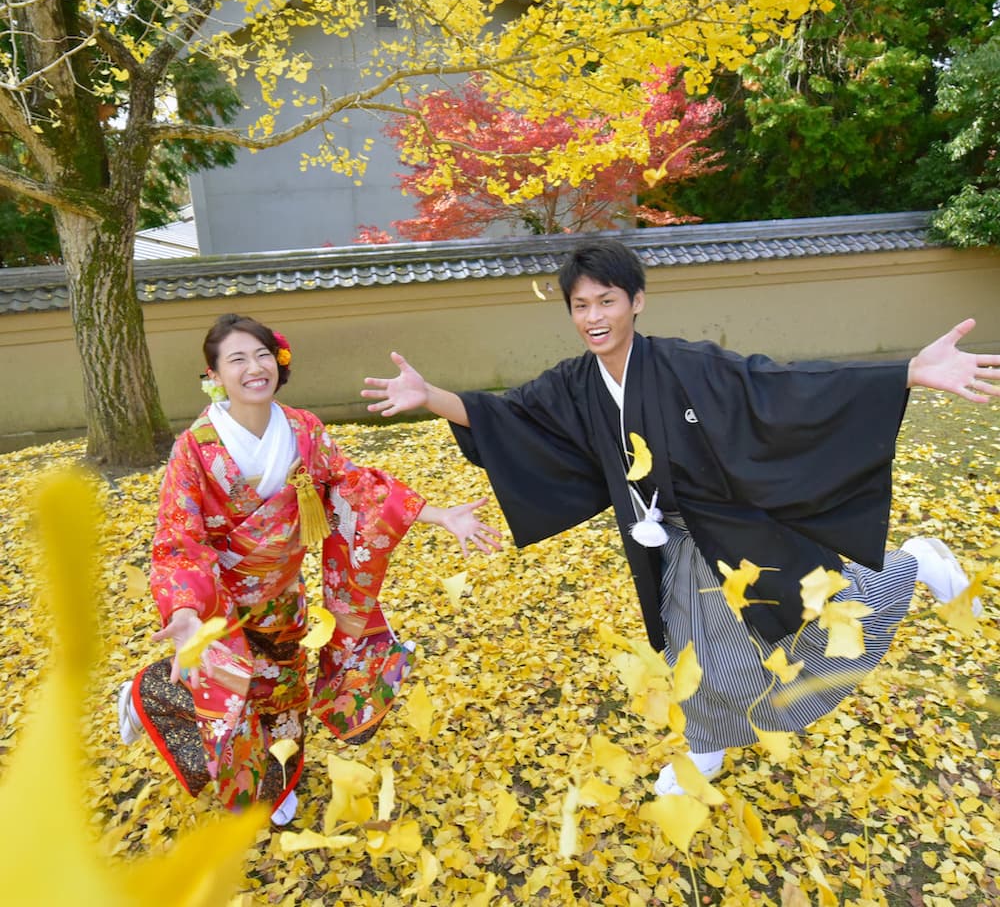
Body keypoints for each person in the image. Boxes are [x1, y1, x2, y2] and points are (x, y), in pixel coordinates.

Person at [361, 238, 997, 797]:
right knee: (696, 648)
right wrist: (432, 397)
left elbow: (781, 387)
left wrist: (908, 373)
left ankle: (912, 564)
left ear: (637, 301)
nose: (593, 317)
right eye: (580, 306)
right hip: (667, 544)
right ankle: (707, 745)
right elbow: (511, 417)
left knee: (824, 613)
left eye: (605, 300)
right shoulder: (576, 383)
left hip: (738, 526)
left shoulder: (689, 365)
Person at [117, 314, 501, 825]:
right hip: (220, 603)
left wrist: (437, 514)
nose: (254, 369)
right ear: (213, 374)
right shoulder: (194, 449)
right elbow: (179, 538)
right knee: (233, 698)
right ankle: (172, 709)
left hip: (283, 594)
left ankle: (276, 782)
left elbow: (354, 489)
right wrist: (186, 610)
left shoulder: (303, 430)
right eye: (237, 360)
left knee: (284, 694)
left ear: (277, 362)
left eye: (261, 356)